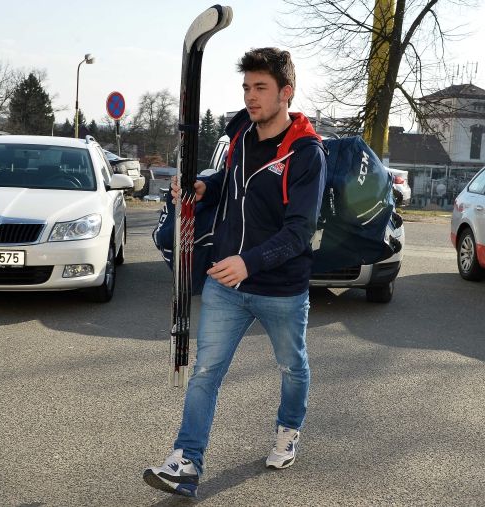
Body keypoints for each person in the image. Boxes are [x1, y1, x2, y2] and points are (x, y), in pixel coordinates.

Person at [143, 47, 327, 498]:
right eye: (246, 87)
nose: (251, 96)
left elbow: (299, 232)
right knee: (206, 371)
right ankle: (186, 463)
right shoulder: (243, 136)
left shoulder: (306, 155)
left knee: (291, 366)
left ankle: (288, 428)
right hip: (227, 281)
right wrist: (207, 186)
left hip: (280, 287)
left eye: (260, 88)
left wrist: (251, 262)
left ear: (286, 92)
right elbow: (234, 181)